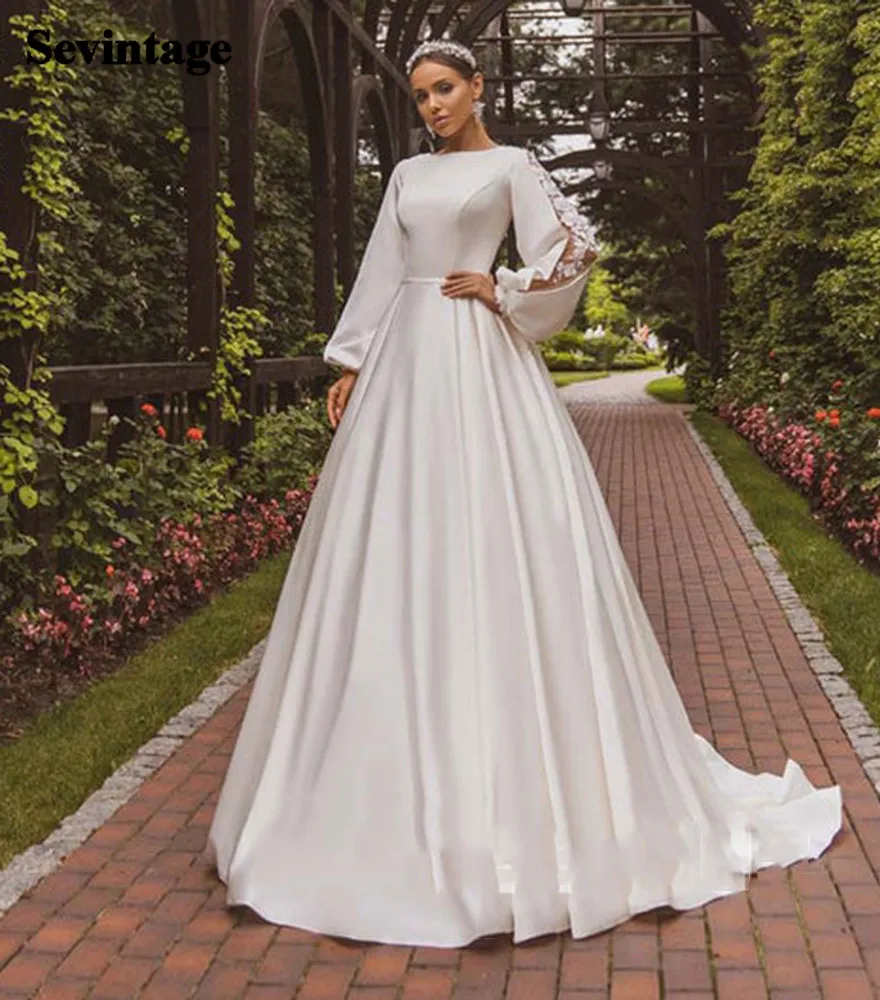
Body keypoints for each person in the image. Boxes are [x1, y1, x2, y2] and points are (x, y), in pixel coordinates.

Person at [206, 37, 842, 948]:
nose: (430, 105)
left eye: (445, 90)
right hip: (404, 370)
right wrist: (348, 362)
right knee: (388, 540)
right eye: (421, 93)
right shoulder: (402, 178)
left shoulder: (512, 165)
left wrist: (501, 287)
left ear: (477, 88)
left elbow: (572, 248)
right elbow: (381, 275)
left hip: (477, 355)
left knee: (497, 532)